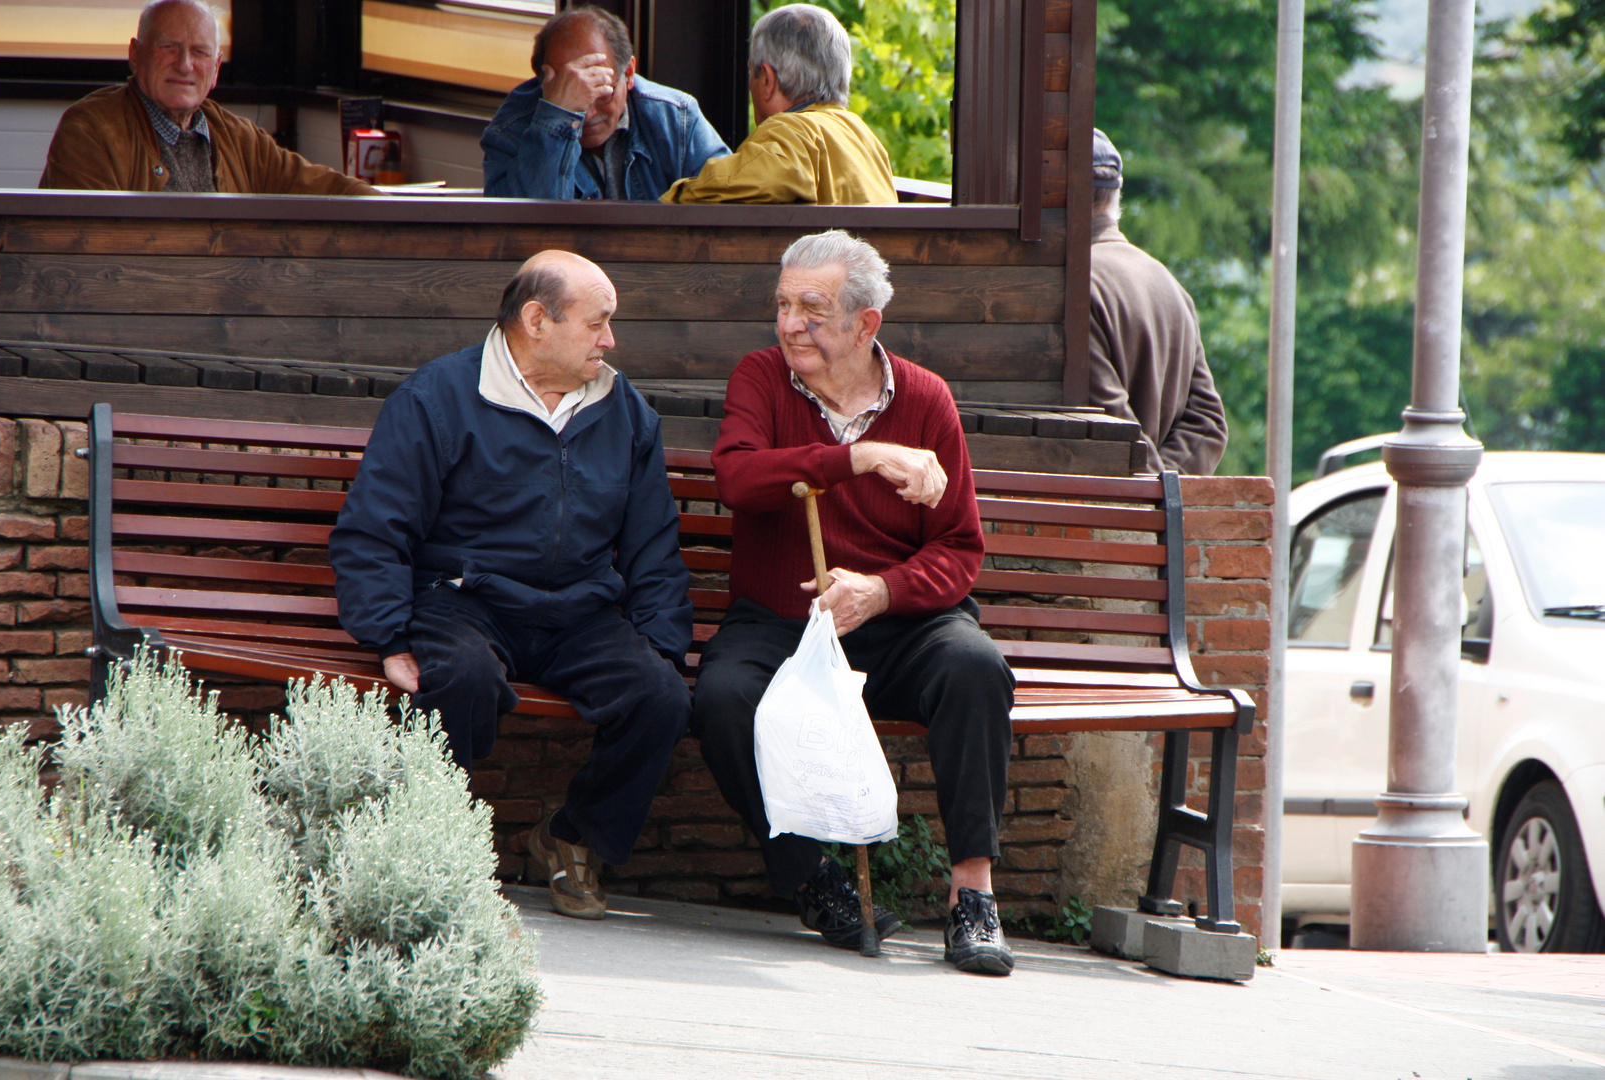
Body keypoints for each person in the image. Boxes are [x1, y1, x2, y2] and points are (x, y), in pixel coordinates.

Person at [329, 251, 693, 922]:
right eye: (598, 323)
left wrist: (662, 650)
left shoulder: (625, 411)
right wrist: (384, 634)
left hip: (581, 611)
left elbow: (653, 545)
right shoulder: (438, 397)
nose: (610, 340)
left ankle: (572, 837)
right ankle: (431, 847)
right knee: (461, 679)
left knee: (661, 696)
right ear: (537, 320)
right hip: (463, 601)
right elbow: (375, 528)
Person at [690, 230, 1017, 975]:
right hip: (780, 621)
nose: (789, 324)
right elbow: (738, 479)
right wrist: (858, 458)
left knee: (973, 668)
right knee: (722, 697)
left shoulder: (928, 399)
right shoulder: (761, 380)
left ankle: (973, 896)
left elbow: (960, 550)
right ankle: (814, 878)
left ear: (865, 324)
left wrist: (882, 591)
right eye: (782, 305)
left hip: (897, 625)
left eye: (812, 308)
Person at [39, 0, 375, 195]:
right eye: (168, 47)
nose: (184, 65)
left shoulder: (239, 138)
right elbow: (84, 248)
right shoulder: (90, 129)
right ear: (135, 54)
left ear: (215, 69)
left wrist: (390, 207)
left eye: (199, 52)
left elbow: (321, 187)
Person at [1088, 128, 1229, 474]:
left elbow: (1108, 422)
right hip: (1150, 517)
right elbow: (1208, 423)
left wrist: (1149, 489)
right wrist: (1164, 490)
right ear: (1116, 194)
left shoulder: (1072, 289)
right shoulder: (1170, 285)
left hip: (1097, 513)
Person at [482, 7, 728, 200]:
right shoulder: (509, 132)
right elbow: (527, 236)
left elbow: (729, 204)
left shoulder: (677, 118)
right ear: (544, 84)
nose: (587, 115)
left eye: (601, 94)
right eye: (573, 97)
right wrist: (557, 118)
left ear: (629, 74)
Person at [661, 5, 896, 205]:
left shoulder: (792, 131)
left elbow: (766, 178)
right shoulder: (861, 134)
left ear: (767, 79)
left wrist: (680, 194)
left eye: (751, 73)